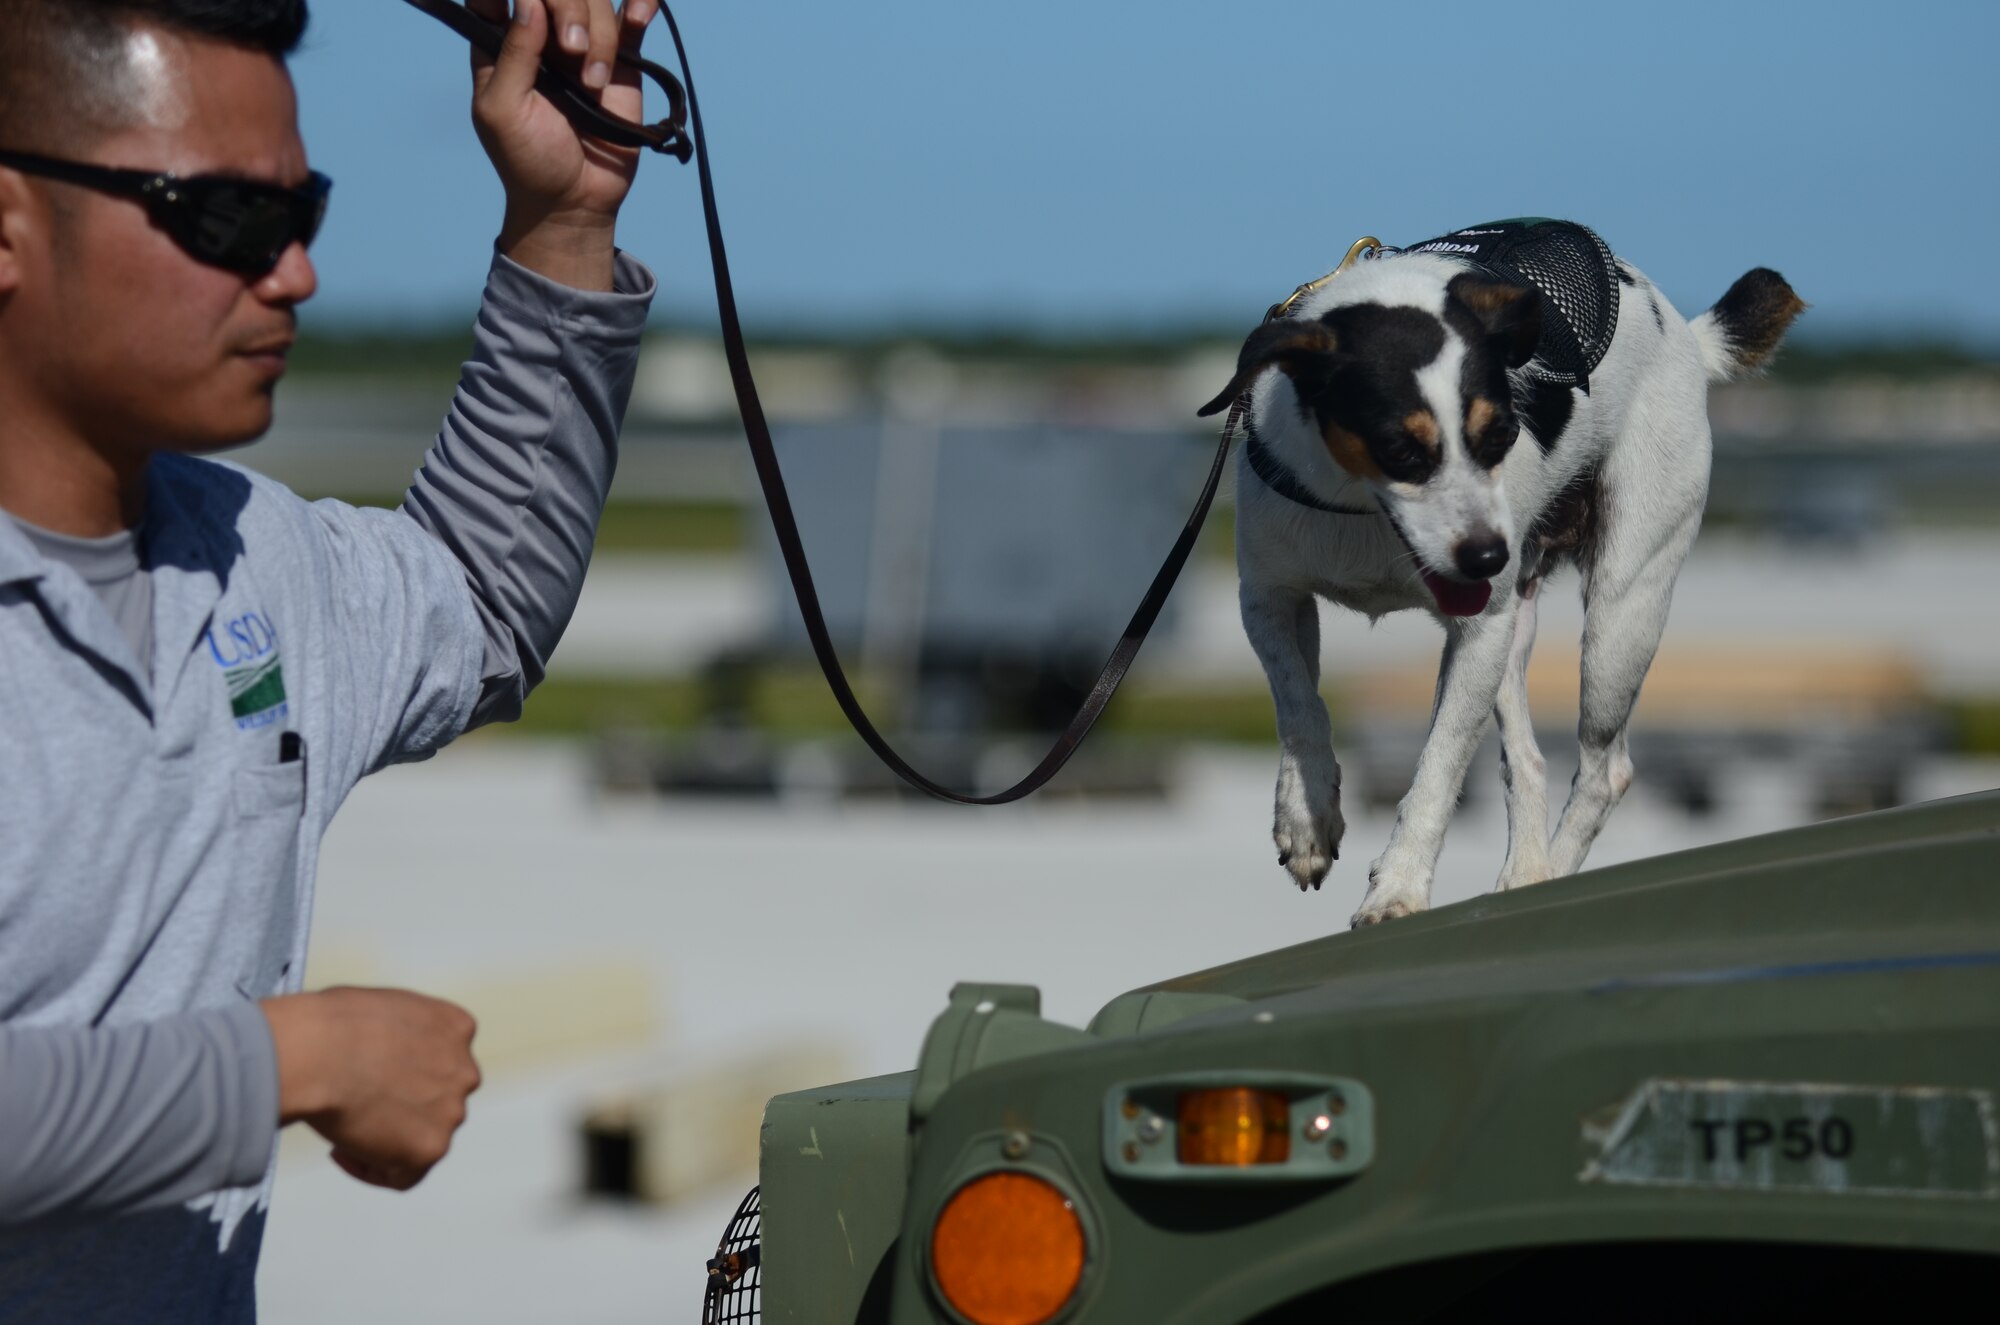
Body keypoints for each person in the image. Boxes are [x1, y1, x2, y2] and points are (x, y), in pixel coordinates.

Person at [0, 0, 662, 1316]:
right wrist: (287, 1061)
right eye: (222, 218)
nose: (293, 275)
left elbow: (475, 598)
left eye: (299, 217)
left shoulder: (248, 553)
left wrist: (564, 224)